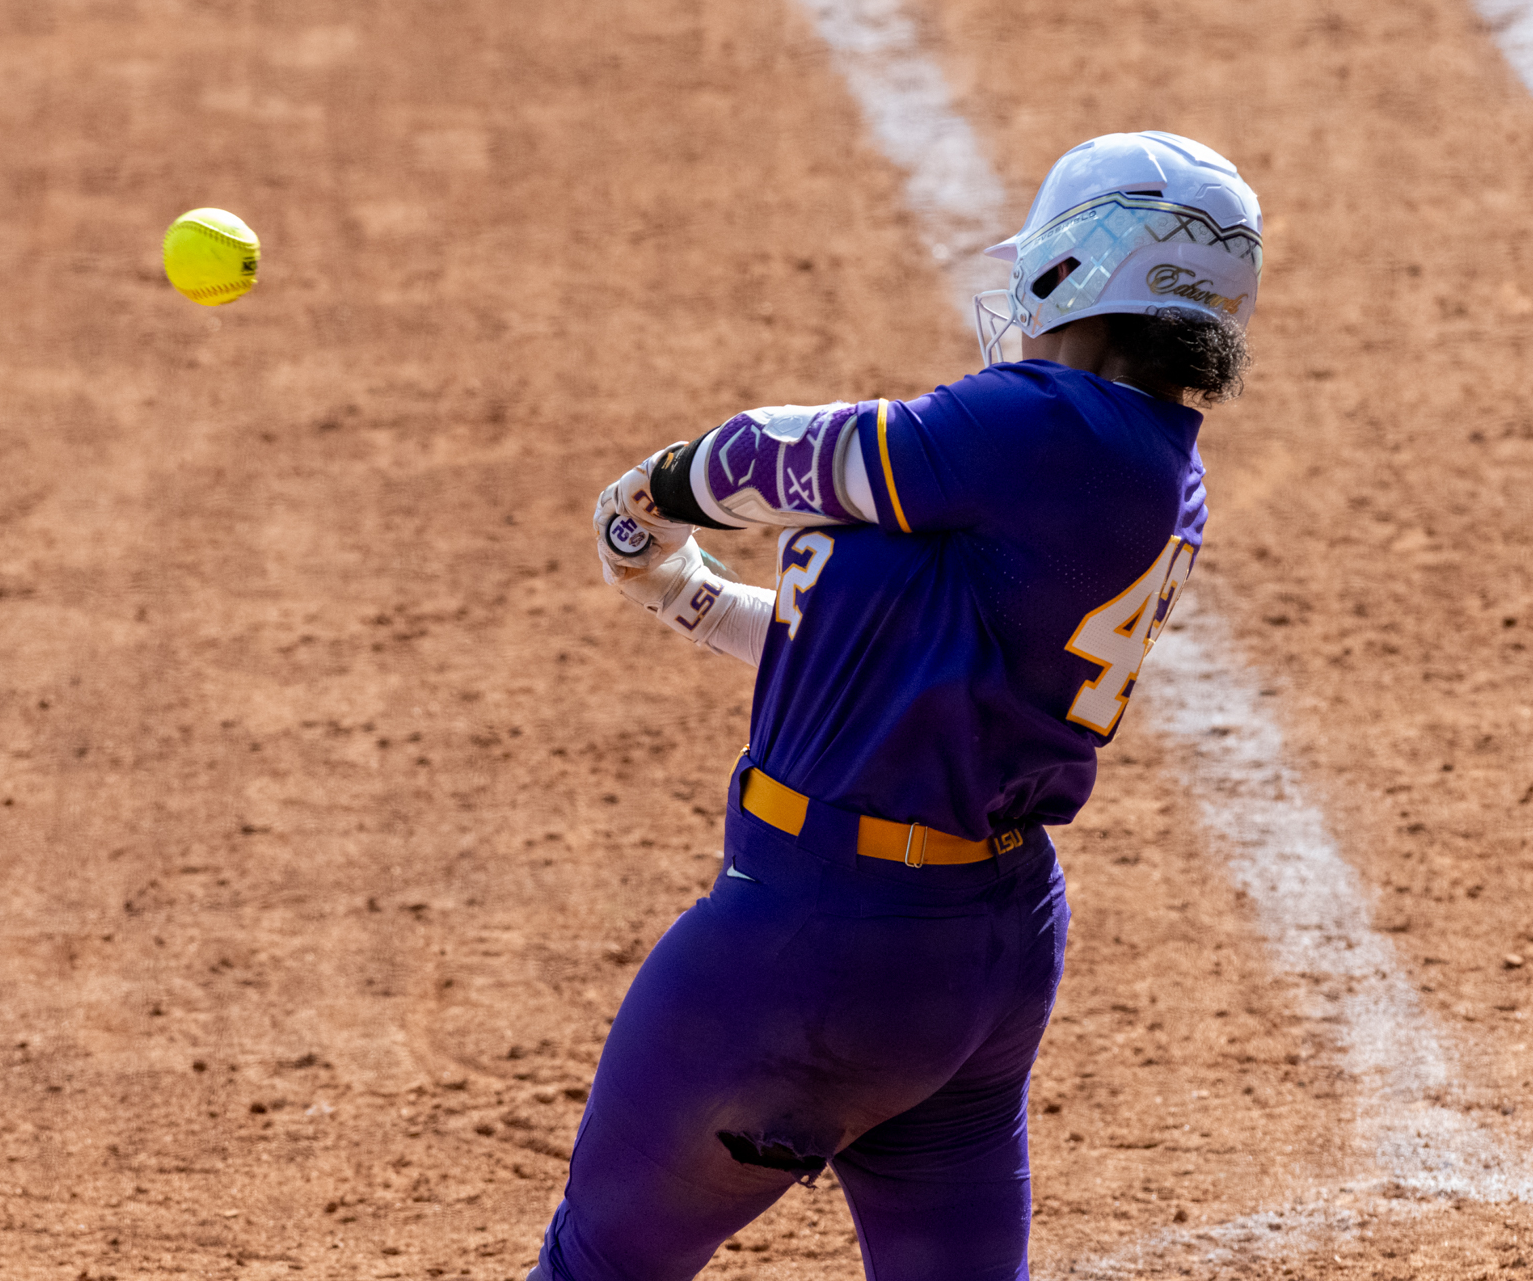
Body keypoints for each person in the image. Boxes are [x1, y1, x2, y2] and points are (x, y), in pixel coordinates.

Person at [532, 131, 1263, 1281]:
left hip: (809, 945)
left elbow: (774, 458)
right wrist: (688, 599)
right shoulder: (1149, 464)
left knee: (598, 1267)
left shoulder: (1040, 425)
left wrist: (651, 494)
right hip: (982, 956)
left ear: (1080, 262)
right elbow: (862, 655)